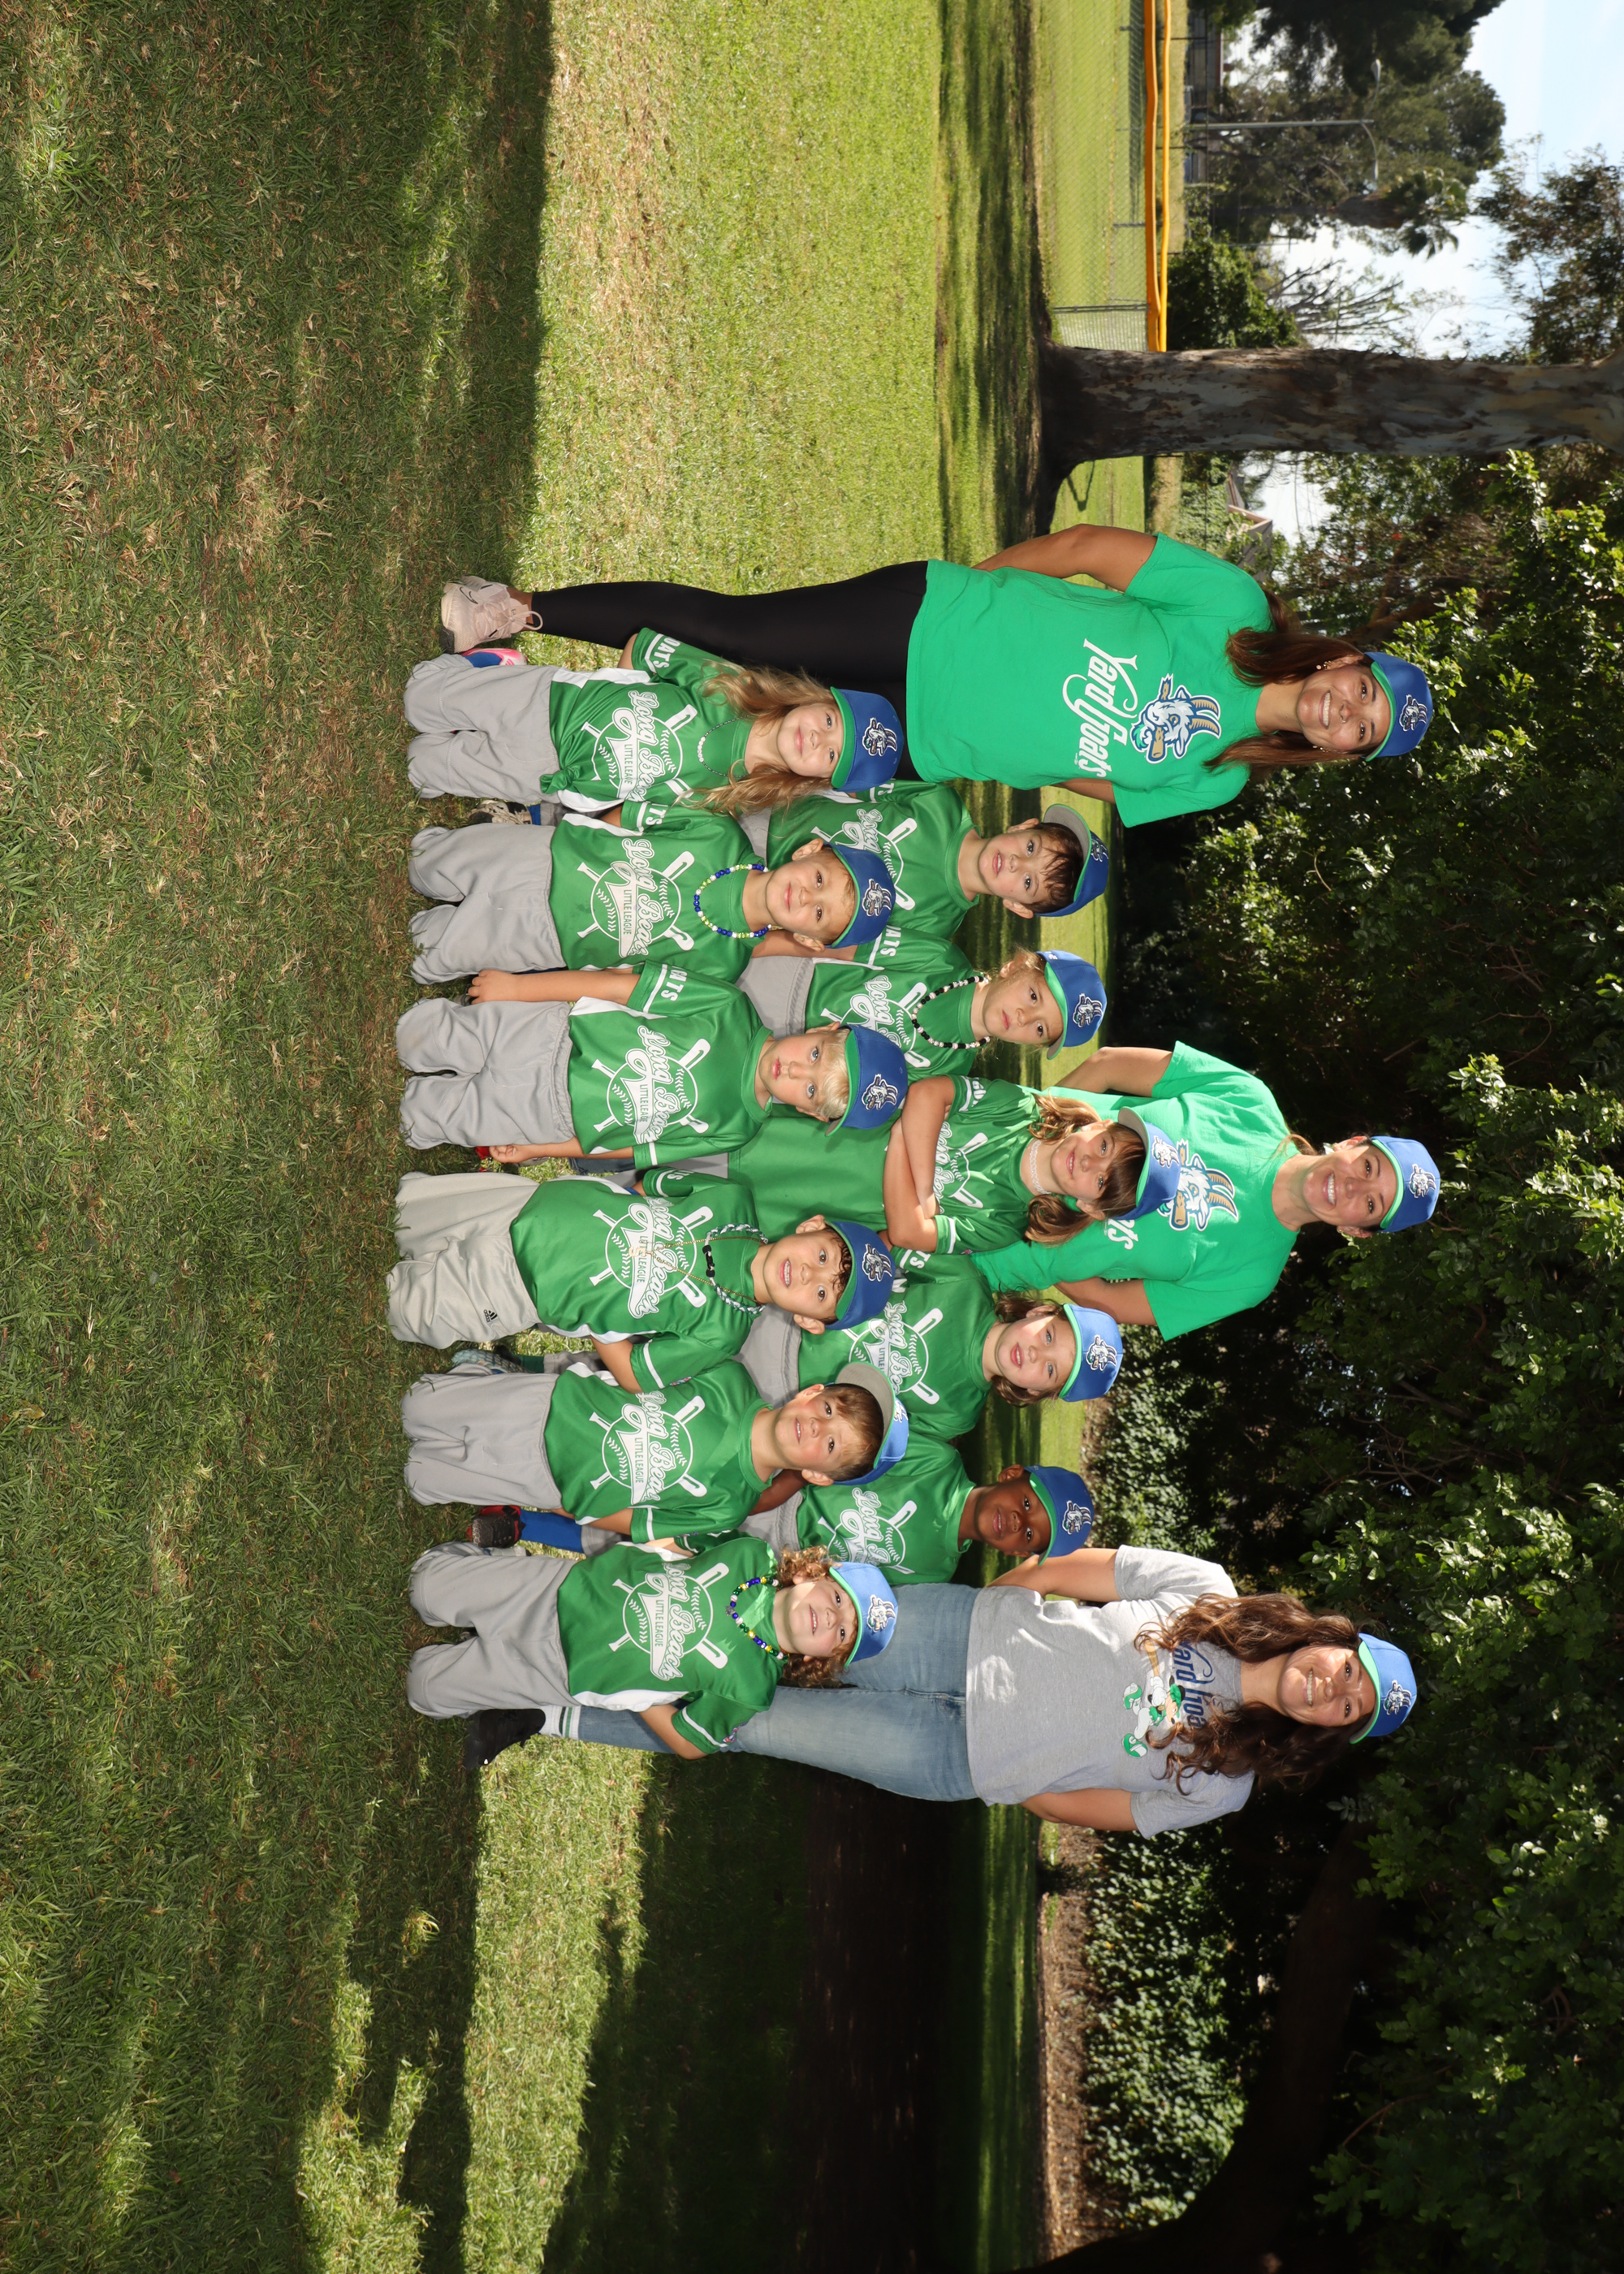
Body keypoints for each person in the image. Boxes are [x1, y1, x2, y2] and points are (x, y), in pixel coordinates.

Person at [443, 526, 1434, 819]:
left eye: (1360, 729)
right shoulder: (1234, 609)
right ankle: (517, 611)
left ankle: (546, 775)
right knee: (735, 635)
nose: (1342, 711)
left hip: (924, 738)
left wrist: (995, 736)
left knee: (739, 763)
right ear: (1347, 659)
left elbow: (1080, 777)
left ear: (1337, 752)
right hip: (935, 621)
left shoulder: (1213, 780)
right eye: (1361, 692)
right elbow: (1089, 549)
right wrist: (974, 586)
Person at [560, 1542, 1421, 1831]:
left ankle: (550, 1712)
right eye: (1348, 1671)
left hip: (951, 1757)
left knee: (748, 1722)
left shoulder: (1226, 1784)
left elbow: (1102, 1809)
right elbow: (1088, 1571)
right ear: (1333, 1639)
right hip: (952, 1635)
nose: (1330, 1690)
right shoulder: (1211, 1591)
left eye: (1346, 1709)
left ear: (1330, 1732)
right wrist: (1002, 1602)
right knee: (773, 1626)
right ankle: (607, 1596)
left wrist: (1015, 1774)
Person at [970, 1040, 1444, 1337]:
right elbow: (1109, 1065)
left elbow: (1110, 1302)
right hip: (986, 1139)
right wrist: (1042, 1129)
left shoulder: (1252, 1277)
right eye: (1368, 1166)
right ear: (1353, 1143)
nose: (1352, 1186)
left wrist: (1046, 1252)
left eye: (1371, 1203)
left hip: (991, 1253)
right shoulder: (1249, 1101)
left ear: (1357, 1231)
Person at [408, 1535, 900, 1771]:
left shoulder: (752, 1687)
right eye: (838, 1600)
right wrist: (642, 1551)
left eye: (842, 1634)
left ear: (821, 1661)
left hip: (569, 1671)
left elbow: (692, 1743)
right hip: (564, 1589)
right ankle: (489, 1573)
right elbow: (681, 1544)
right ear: (814, 1574)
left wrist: (640, 1698)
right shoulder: (753, 1556)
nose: (829, 1618)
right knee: (423, 1587)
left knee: (423, 1688)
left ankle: (480, 1656)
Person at [384, 1161, 896, 1381]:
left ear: (809, 1322)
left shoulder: (724, 1333)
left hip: (529, 1288)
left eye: (823, 1295)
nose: (808, 1275)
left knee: (401, 1308)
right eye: (823, 1257)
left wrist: (599, 1316)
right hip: (531, 1205)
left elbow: (635, 1374)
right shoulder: (734, 1197)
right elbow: (654, 1185)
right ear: (812, 1226)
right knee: (404, 1213)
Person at [394, 962, 909, 1160]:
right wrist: (517, 989)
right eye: (815, 1055)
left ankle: (407, 1114)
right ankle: (405, 1040)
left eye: (812, 1089)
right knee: (432, 1035)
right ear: (821, 1030)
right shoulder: (731, 1008)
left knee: (432, 1119)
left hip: (557, 1116)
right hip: (556, 1037)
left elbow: (633, 1147)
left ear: (809, 1112)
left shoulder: (738, 1130)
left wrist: (541, 1150)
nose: (796, 1071)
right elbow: (618, 988)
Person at [406, 625, 905, 813]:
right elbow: (646, 647)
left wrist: (592, 790)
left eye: (831, 756)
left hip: (550, 776)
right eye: (831, 722)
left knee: (420, 767)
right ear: (819, 699)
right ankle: (489, 669)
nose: (816, 739)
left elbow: (648, 812)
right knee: (417, 698)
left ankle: (460, 746)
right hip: (551, 703)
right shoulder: (736, 687)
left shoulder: (738, 794)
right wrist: (616, 691)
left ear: (818, 780)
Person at [400, 1352, 888, 1542]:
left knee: (419, 1478)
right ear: (811, 1393)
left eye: (830, 1445)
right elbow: (636, 1365)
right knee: (415, 1406)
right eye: (827, 1410)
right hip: (555, 1404)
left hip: (553, 1481)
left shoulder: (731, 1505)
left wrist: (569, 1506)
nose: (815, 1427)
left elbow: (638, 1522)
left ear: (817, 1477)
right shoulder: (729, 1375)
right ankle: (486, 1378)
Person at [405, 802, 897, 985]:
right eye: (819, 881)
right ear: (810, 850)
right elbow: (631, 817)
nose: (806, 898)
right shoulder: (720, 834)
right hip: (552, 856)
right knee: (429, 862)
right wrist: (590, 843)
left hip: (554, 939)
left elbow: (628, 977)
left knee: (426, 951)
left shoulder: (724, 965)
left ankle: (440, 938)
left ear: (809, 941)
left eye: (818, 915)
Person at [731, 1246, 1125, 1441]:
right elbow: (880, 1251)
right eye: (1049, 1336)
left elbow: (867, 1440)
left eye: (1050, 1369)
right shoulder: (965, 1282)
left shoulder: (958, 1415)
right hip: (784, 1322)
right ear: (1039, 1312)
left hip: (787, 1408)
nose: (1036, 1353)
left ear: (1037, 1391)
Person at [745, 788, 1106, 952]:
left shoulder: (935, 928)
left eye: (1027, 882)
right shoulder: (938, 802)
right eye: (1030, 848)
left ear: (1018, 907)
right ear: (1024, 826)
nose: (1015, 863)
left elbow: (837, 946)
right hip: (769, 821)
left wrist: (754, 941)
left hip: (766, 907)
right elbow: (840, 783)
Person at [737, 1445, 1097, 1587]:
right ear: (1011, 1474)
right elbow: (834, 1455)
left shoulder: (937, 1574)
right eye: (1029, 1504)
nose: (1020, 1521)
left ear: (1017, 1553)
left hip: (779, 1565)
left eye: (1030, 1536)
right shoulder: (938, 1462)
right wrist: (767, 1498)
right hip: (778, 1494)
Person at [736, 942, 1086, 1082]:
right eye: (1033, 996)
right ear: (1015, 966)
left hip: (789, 1070)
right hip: (791, 984)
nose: (1025, 1017)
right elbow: (841, 949)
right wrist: (753, 948)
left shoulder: (949, 1069)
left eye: (1040, 1030)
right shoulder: (942, 960)